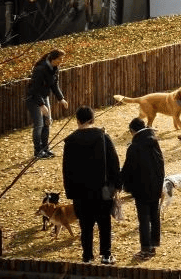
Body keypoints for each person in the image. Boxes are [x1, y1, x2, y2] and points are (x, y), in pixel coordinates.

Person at [62, 105, 121, 265]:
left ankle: (87, 255)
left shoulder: (70, 141)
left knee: (85, 225)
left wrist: (70, 192)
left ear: (77, 120)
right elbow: (114, 163)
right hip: (103, 190)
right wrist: (116, 185)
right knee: (104, 223)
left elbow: (66, 169)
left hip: (80, 192)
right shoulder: (103, 137)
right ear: (93, 119)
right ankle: (106, 255)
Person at [120, 117, 164, 260]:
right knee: (154, 216)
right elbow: (161, 164)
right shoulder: (154, 142)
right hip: (156, 185)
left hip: (141, 189)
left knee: (144, 219)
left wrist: (121, 185)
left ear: (133, 131)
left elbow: (128, 169)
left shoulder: (134, 147)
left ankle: (145, 249)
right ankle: (154, 244)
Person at [25, 48, 68, 159]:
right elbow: (34, 89)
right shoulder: (40, 69)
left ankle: (45, 149)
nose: (61, 61)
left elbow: (54, 85)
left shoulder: (55, 68)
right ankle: (38, 152)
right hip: (33, 98)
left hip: (44, 97)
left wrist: (61, 99)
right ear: (52, 59)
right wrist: (41, 105)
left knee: (47, 122)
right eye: (59, 59)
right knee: (39, 125)